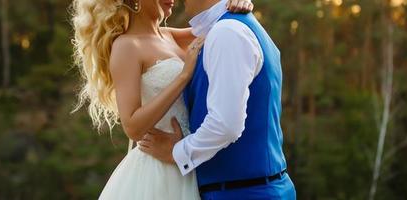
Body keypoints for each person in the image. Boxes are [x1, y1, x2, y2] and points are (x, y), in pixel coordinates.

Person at [70, 0, 253, 199]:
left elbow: (217, 24)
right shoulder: (126, 46)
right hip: (156, 169)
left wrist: (236, 2)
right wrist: (183, 77)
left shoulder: (169, 35)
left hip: (186, 161)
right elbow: (132, 126)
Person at [138, 0, 297, 199]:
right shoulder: (227, 28)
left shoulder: (227, 33)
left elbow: (226, 124)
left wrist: (176, 152)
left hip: (244, 193)